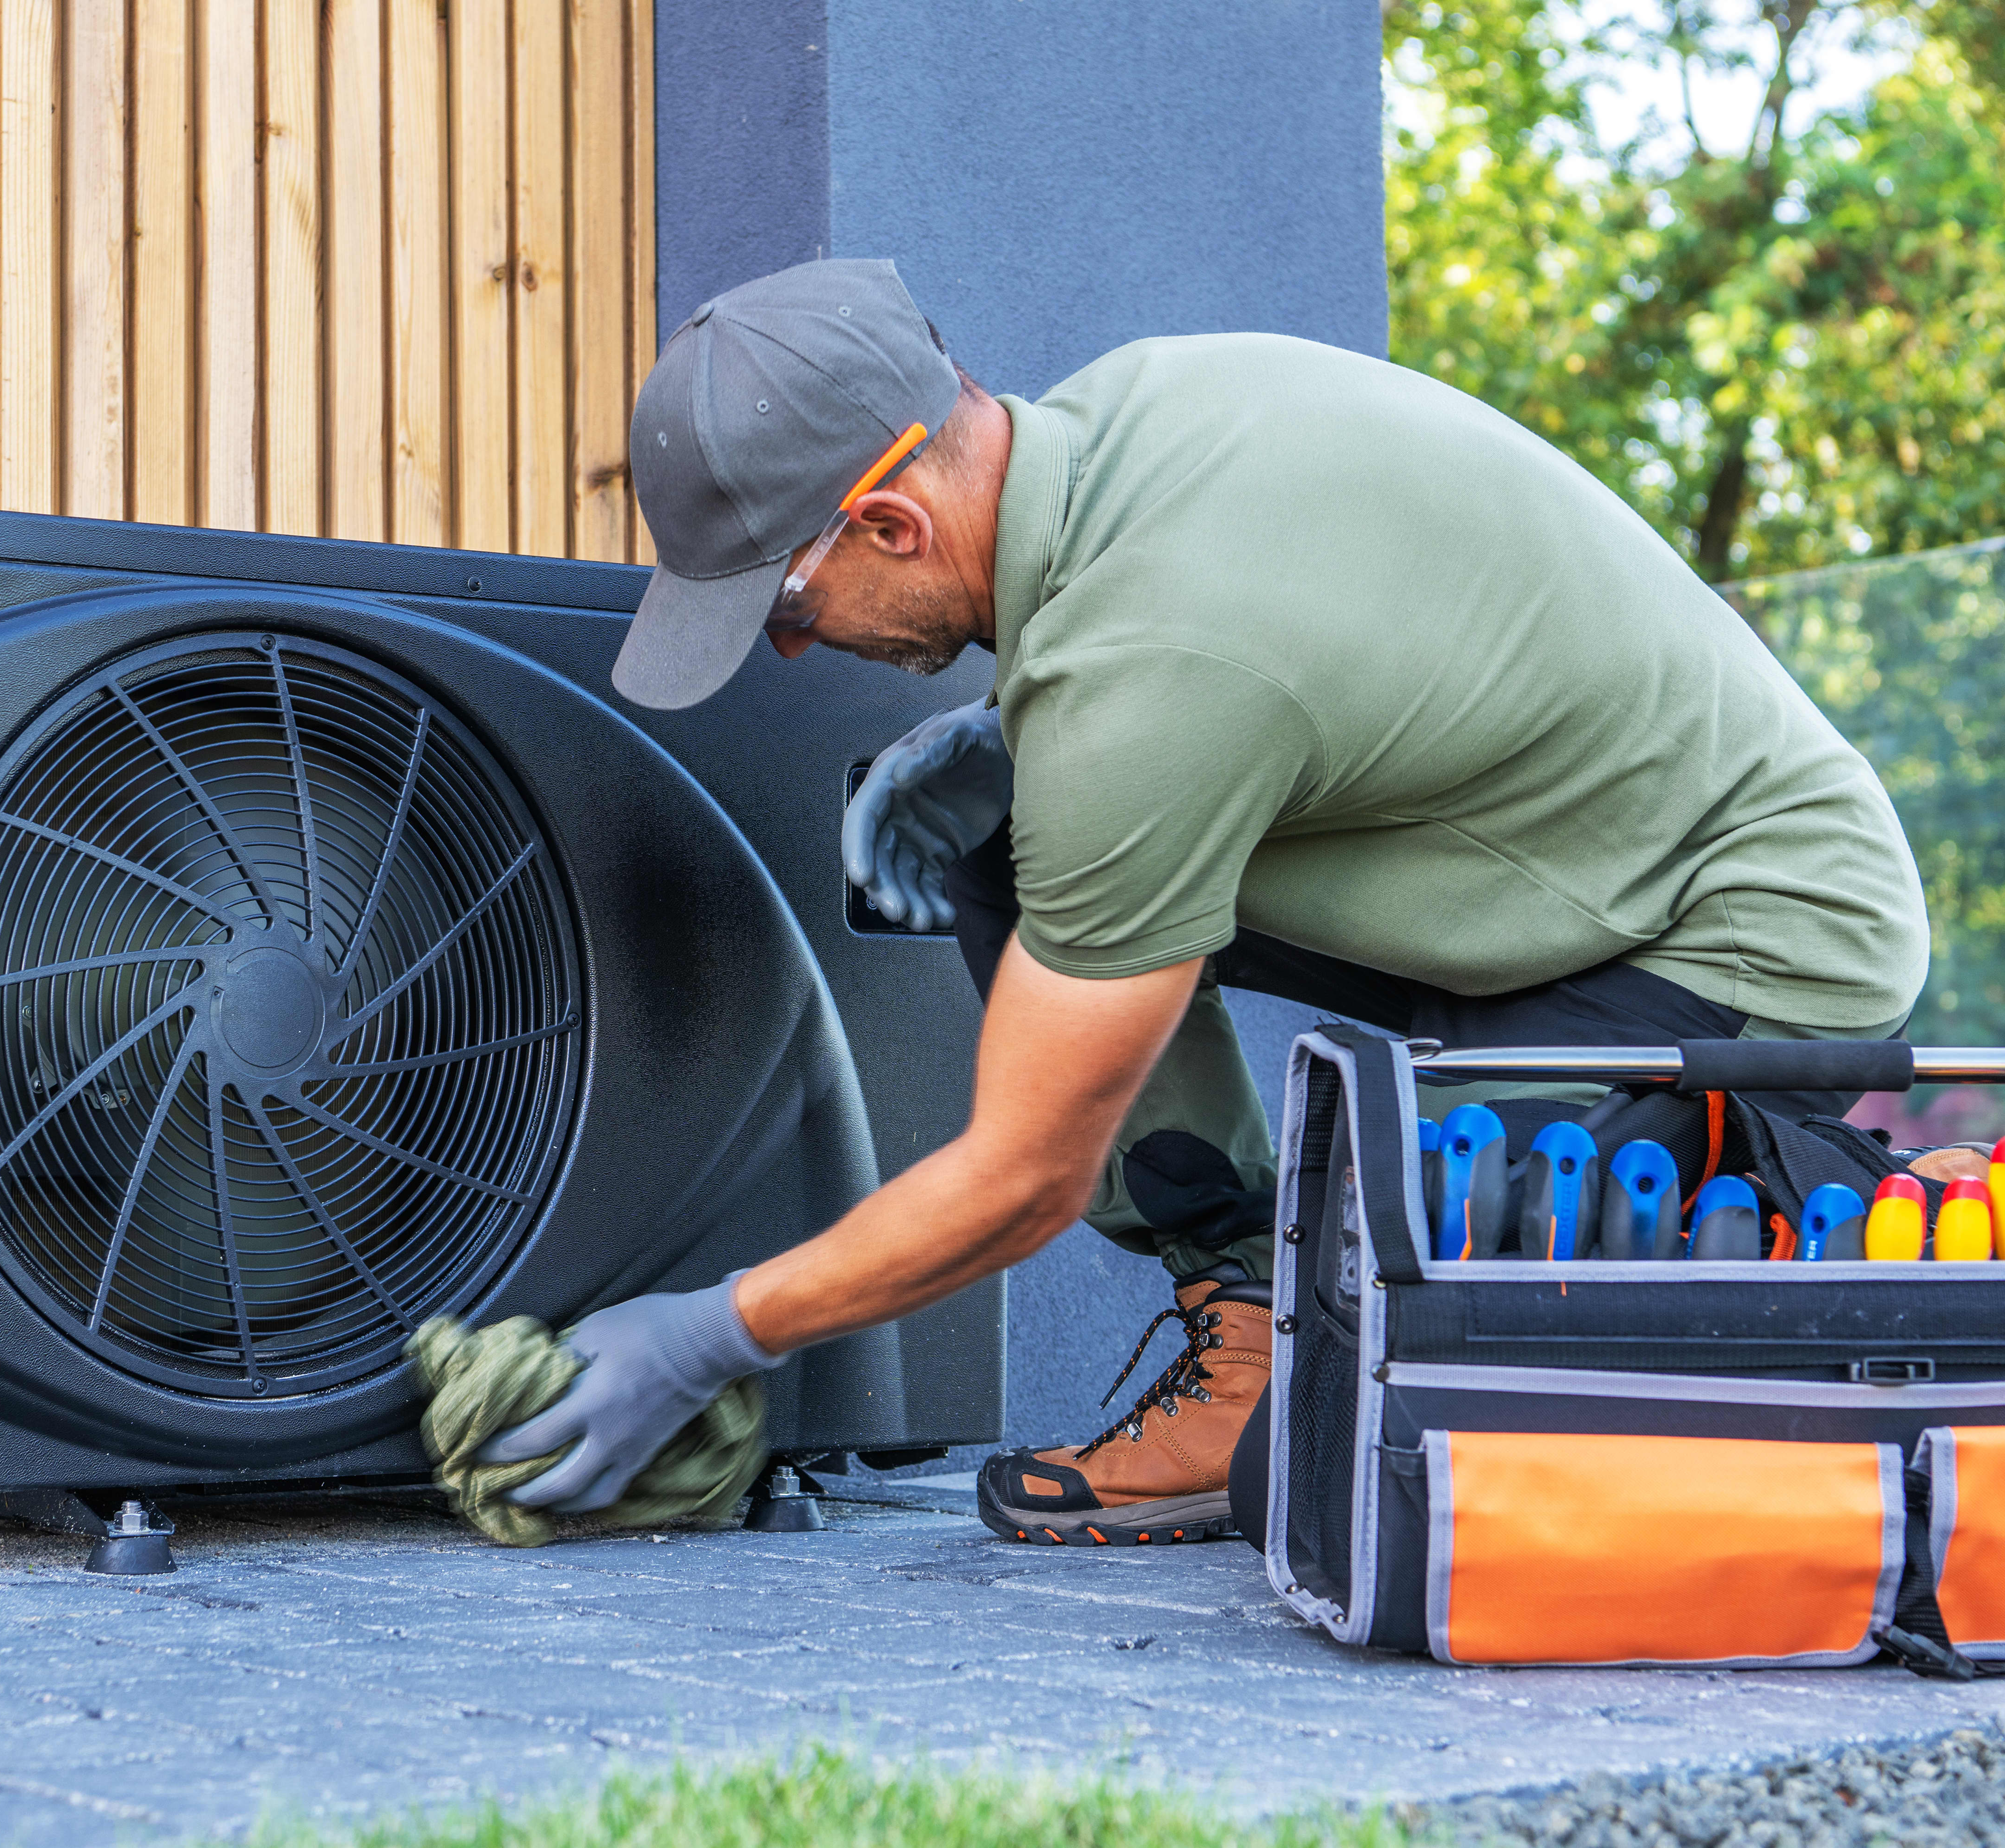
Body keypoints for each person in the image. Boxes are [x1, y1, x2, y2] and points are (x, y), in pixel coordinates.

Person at [477, 258, 1929, 1546]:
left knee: (1358, 1411)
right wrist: (1024, 739)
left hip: (1748, 933)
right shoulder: (1123, 418)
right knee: (1017, 837)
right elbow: (1284, 654)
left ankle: (1815, 1235)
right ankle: (1250, 1332)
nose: (793, 651)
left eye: (787, 606)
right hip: (1553, 863)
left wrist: (710, 1336)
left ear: (893, 522)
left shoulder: (1147, 674)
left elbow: (1027, 1177)